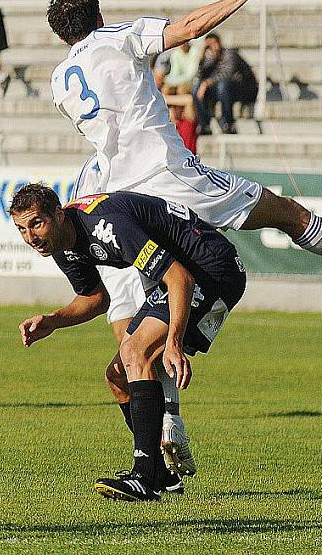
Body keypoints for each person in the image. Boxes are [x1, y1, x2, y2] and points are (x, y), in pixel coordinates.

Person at [46, 0, 322, 294]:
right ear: (100, 17)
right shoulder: (119, 37)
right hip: (166, 173)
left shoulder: (59, 80)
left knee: (157, 306)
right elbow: (191, 28)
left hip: (118, 195)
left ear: (61, 36)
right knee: (286, 213)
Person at [11, 184, 247, 501]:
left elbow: (180, 278)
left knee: (136, 352)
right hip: (182, 274)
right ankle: (163, 477)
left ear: (58, 214)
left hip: (213, 267)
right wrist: (53, 320)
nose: (30, 237)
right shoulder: (59, 242)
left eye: (36, 223)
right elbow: (94, 298)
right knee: (118, 376)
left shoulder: (106, 226)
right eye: (21, 229)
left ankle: (145, 476)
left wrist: (173, 341)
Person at [74, 155, 194, 485]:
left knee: (136, 356)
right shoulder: (91, 166)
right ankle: (158, 468)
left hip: (145, 256)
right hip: (112, 266)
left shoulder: (141, 153)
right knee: (120, 373)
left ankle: (168, 427)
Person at [192, 33, 258, 135]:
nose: (213, 47)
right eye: (209, 45)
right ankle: (204, 125)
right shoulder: (209, 59)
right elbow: (200, 76)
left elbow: (228, 75)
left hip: (242, 88)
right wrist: (202, 57)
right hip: (222, 90)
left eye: (214, 43)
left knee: (222, 86)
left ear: (219, 43)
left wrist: (207, 83)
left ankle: (228, 123)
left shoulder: (230, 54)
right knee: (196, 88)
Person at [153, 40, 201, 151]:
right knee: (168, 88)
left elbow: (188, 100)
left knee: (181, 88)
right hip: (172, 166)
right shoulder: (168, 122)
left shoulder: (187, 120)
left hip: (188, 164)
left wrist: (162, 99)